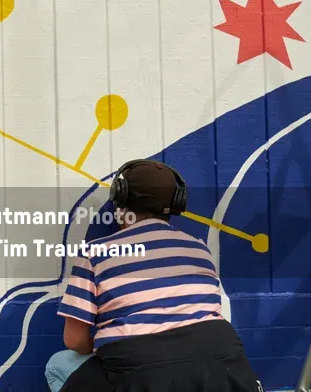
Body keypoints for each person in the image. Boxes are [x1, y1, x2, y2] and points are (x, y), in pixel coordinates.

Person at [46, 160, 263, 392]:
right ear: (176, 202)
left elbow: (75, 340)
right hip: (222, 375)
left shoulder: (94, 254)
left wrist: (108, 345)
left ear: (120, 198)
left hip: (143, 376)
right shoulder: (199, 249)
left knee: (58, 364)